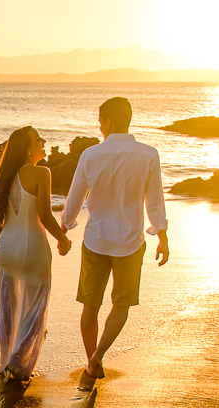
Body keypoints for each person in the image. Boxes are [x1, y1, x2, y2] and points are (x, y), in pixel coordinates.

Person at [61, 97, 169, 391]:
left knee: (90, 306)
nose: (99, 126)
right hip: (130, 243)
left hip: (96, 240)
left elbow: (75, 197)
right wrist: (162, 235)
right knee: (121, 305)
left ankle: (90, 361)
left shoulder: (91, 155)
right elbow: (155, 199)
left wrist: (65, 227)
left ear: (108, 121)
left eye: (100, 121)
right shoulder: (148, 154)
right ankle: (98, 356)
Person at [0, 126, 72, 384]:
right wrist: (64, 239)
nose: (44, 142)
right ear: (27, 148)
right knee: (35, 306)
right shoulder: (41, 172)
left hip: (7, 248)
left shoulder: (5, 176)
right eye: (38, 139)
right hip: (34, 246)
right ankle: (19, 361)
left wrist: (10, 241)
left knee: (9, 306)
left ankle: (5, 362)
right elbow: (45, 215)